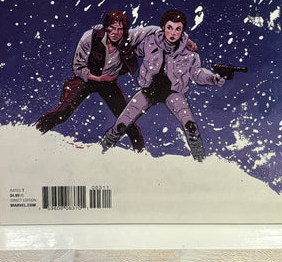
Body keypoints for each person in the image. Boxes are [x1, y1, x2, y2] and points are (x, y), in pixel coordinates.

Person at [99, 10, 225, 161]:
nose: (173, 33)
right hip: (148, 91)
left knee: (190, 126)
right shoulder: (149, 42)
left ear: (182, 31)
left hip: (173, 93)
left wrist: (213, 78)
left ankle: (201, 161)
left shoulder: (189, 53)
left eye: (178, 29)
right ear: (163, 27)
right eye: (169, 27)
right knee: (122, 123)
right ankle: (100, 151)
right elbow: (133, 47)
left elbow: (197, 74)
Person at [35, 10, 153, 151]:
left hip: (108, 83)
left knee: (126, 120)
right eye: (112, 28)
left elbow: (152, 30)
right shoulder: (89, 37)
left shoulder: (129, 36)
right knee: (62, 113)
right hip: (85, 80)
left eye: (120, 29)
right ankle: (33, 134)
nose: (116, 32)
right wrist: (98, 78)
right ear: (106, 27)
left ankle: (140, 152)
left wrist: (177, 35)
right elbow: (77, 67)